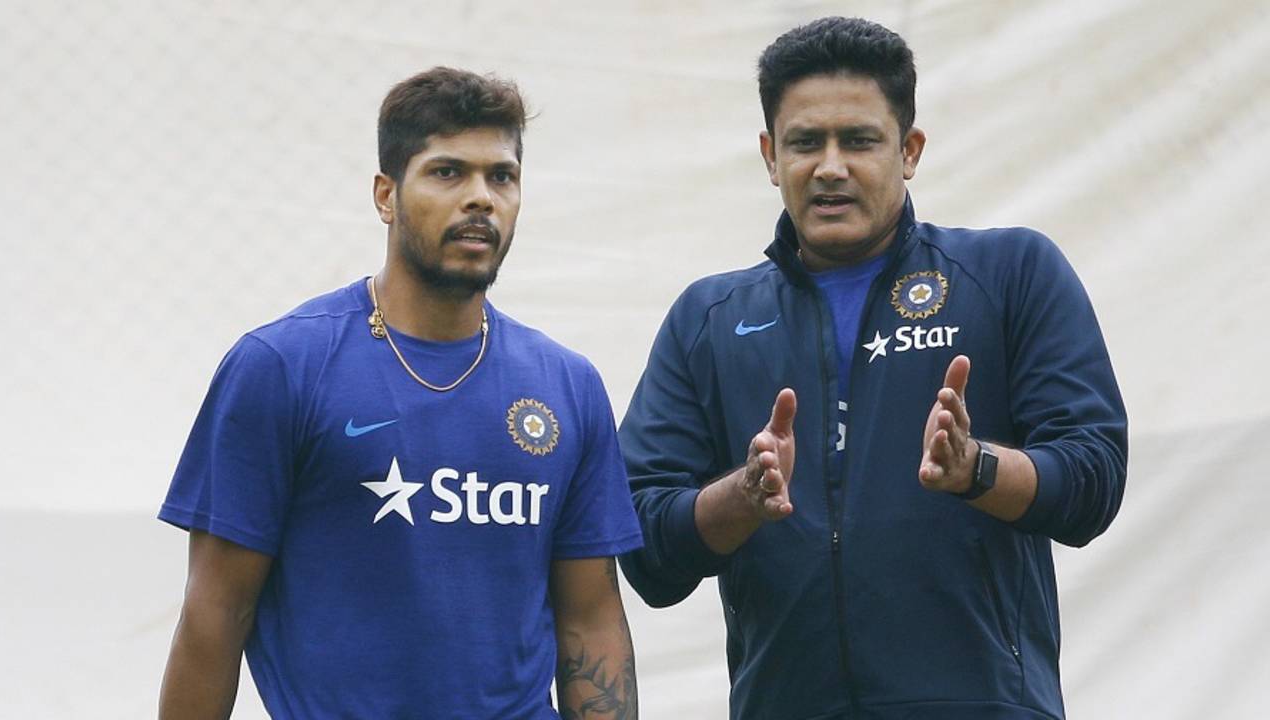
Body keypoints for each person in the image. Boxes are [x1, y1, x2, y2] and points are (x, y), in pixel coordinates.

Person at [618, 17, 1127, 720]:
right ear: (770, 156)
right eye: (804, 143)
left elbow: (1092, 483)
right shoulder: (707, 318)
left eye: (858, 140)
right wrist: (743, 495)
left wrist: (974, 469)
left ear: (909, 150)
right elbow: (645, 551)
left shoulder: (1011, 274)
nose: (830, 167)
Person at [157, 67, 642, 719]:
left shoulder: (568, 385)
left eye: (501, 176)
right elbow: (216, 613)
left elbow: (590, 621)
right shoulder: (280, 368)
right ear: (386, 195)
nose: (481, 198)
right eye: (447, 172)